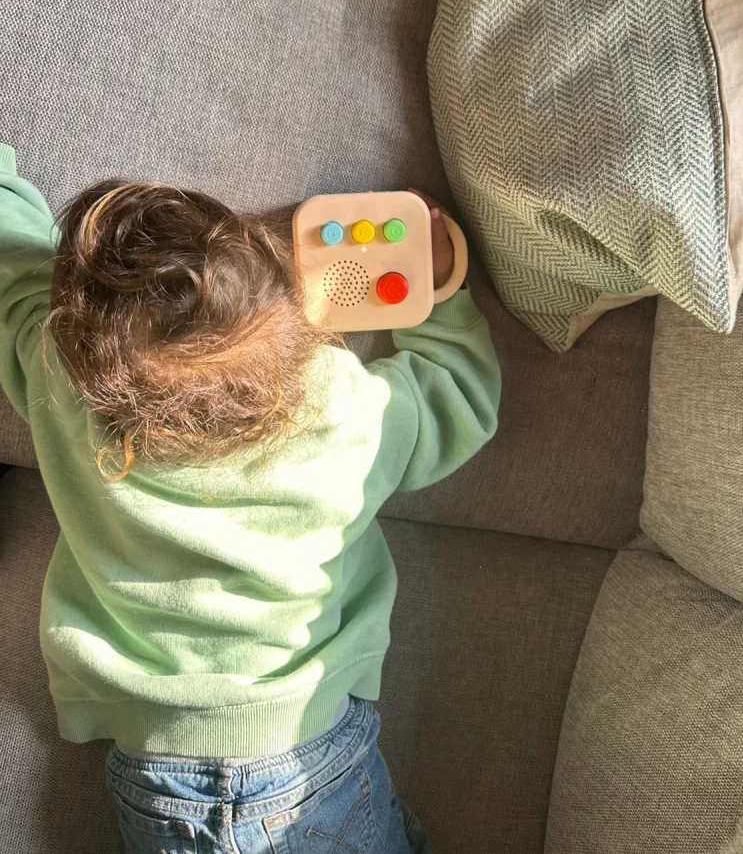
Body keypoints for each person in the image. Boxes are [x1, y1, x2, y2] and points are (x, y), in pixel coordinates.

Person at [0, 142, 501, 854]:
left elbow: (12, 271)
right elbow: (459, 394)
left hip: (154, 771)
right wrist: (440, 287)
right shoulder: (342, 414)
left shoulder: (62, 381)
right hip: (308, 761)